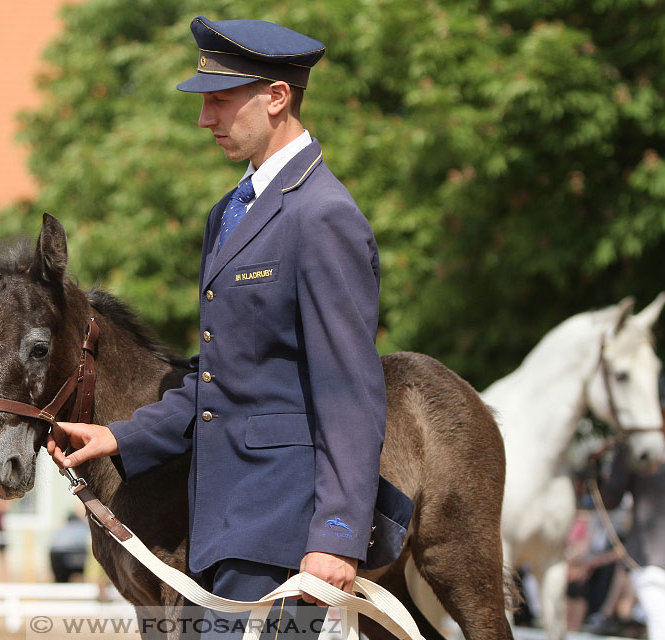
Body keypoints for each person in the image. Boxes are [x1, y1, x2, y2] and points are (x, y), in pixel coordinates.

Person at [47, 16, 410, 639]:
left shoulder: (323, 215)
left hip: (287, 536)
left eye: (219, 101)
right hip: (217, 524)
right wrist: (120, 437)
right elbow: (222, 379)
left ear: (276, 97)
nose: (204, 120)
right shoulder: (229, 214)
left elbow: (351, 392)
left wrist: (338, 535)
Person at [597, 372, 665, 640]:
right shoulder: (633, 450)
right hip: (651, 559)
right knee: (663, 630)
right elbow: (610, 499)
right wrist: (598, 473)